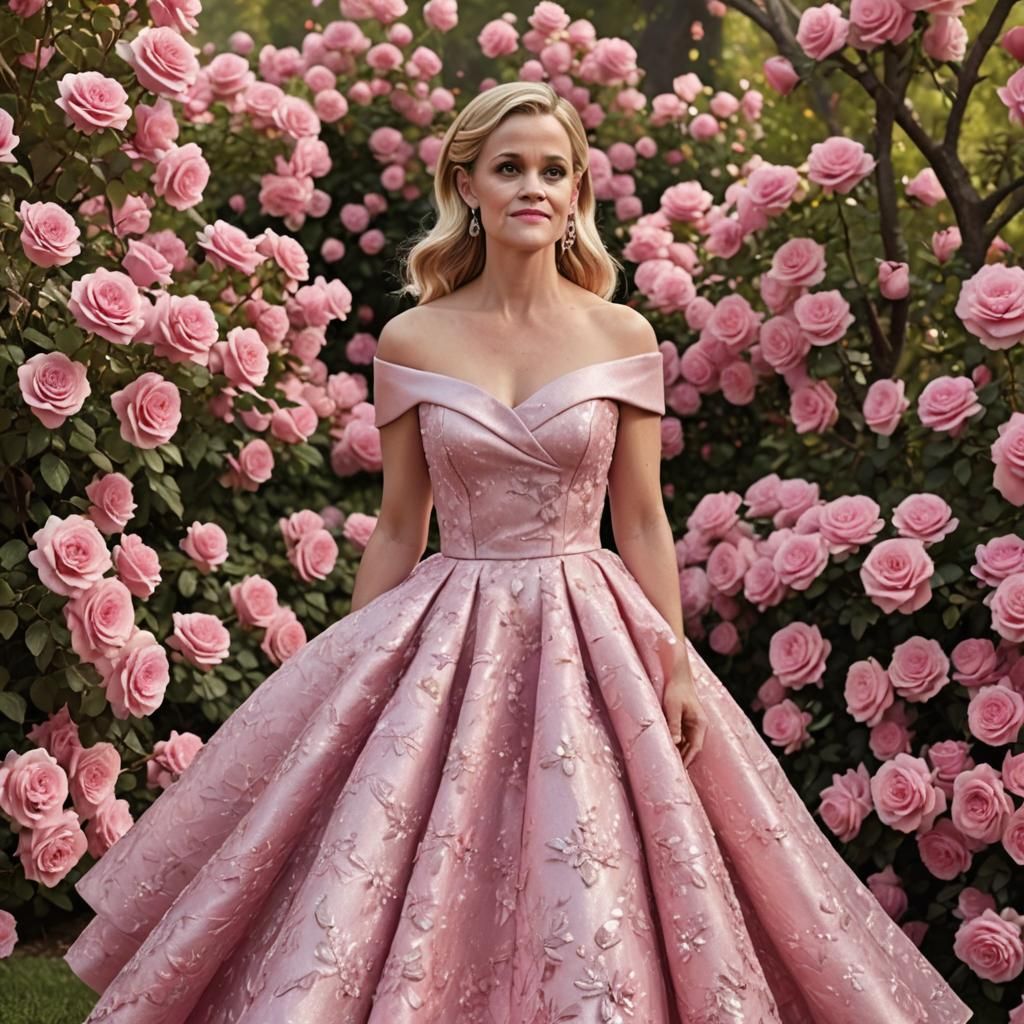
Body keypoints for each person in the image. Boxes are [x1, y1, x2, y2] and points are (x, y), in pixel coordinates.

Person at [65, 81, 973, 1024]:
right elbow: (399, 524)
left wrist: (673, 664)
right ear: (468, 185)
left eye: (552, 170)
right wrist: (350, 675)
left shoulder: (620, 333)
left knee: (596, 865)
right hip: (449, 629)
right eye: (509, 168)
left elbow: (642, 518)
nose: (532, 187)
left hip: (593, 635)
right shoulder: (414, 337)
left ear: (577, 189)